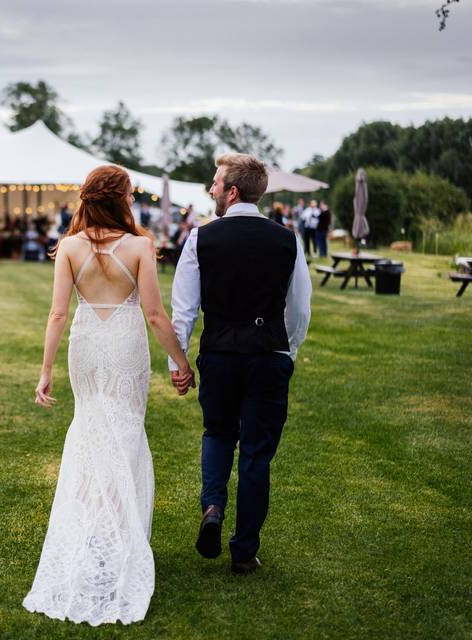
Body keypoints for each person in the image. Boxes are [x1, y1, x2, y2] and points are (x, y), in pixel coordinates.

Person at [22, 165, 194, 626]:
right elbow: (156, 315)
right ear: (121, 199)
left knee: (91, 430)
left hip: (86, 344)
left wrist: (45, 372)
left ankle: (94, 536)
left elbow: (58, 313)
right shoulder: (140, 245)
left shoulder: (70, 246)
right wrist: (181, 361)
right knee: (125, 434)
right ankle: (116, 538)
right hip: (123, 342)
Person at [169, 153, 311, 576]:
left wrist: (178, 362)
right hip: (268, 354)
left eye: (215, 183)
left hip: (219, 354)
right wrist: (289, 350)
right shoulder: (288, 240)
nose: (211, 189)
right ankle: (245, 550)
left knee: (217, 432)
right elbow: (299, 307)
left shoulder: (200, 239)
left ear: (232, 191)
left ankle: (212, 507)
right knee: (255, 455)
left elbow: (184, 310)